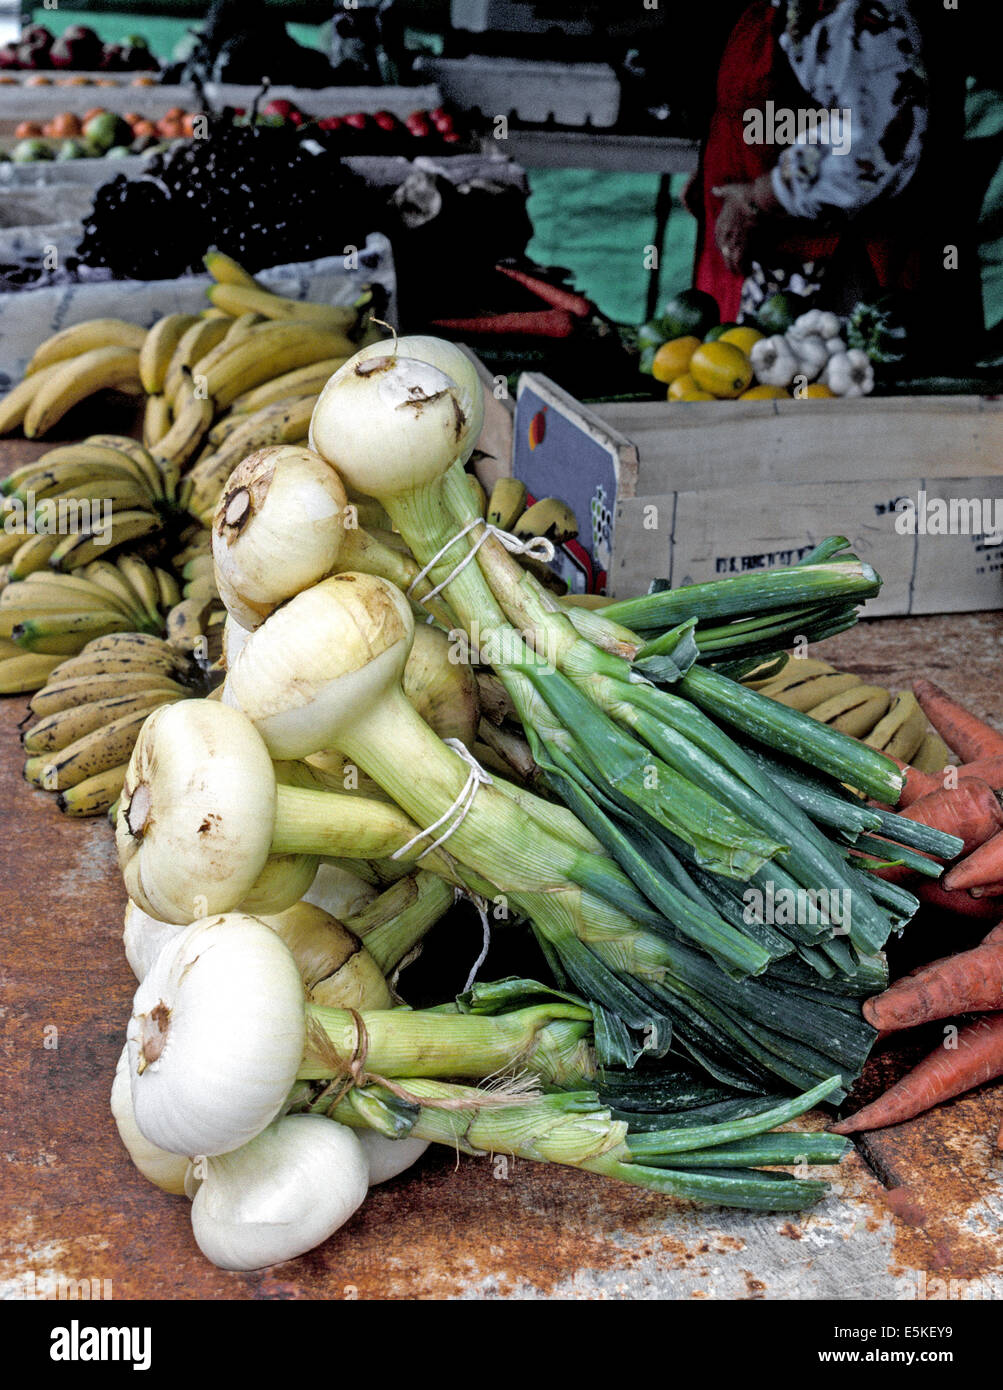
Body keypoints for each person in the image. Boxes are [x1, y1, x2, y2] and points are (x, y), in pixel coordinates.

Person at [691, 0, 982, 361]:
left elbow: (870, 137)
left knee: (834, 405)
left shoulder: (847, 6)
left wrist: (762, 196)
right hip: (769, 266)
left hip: (836, 275)